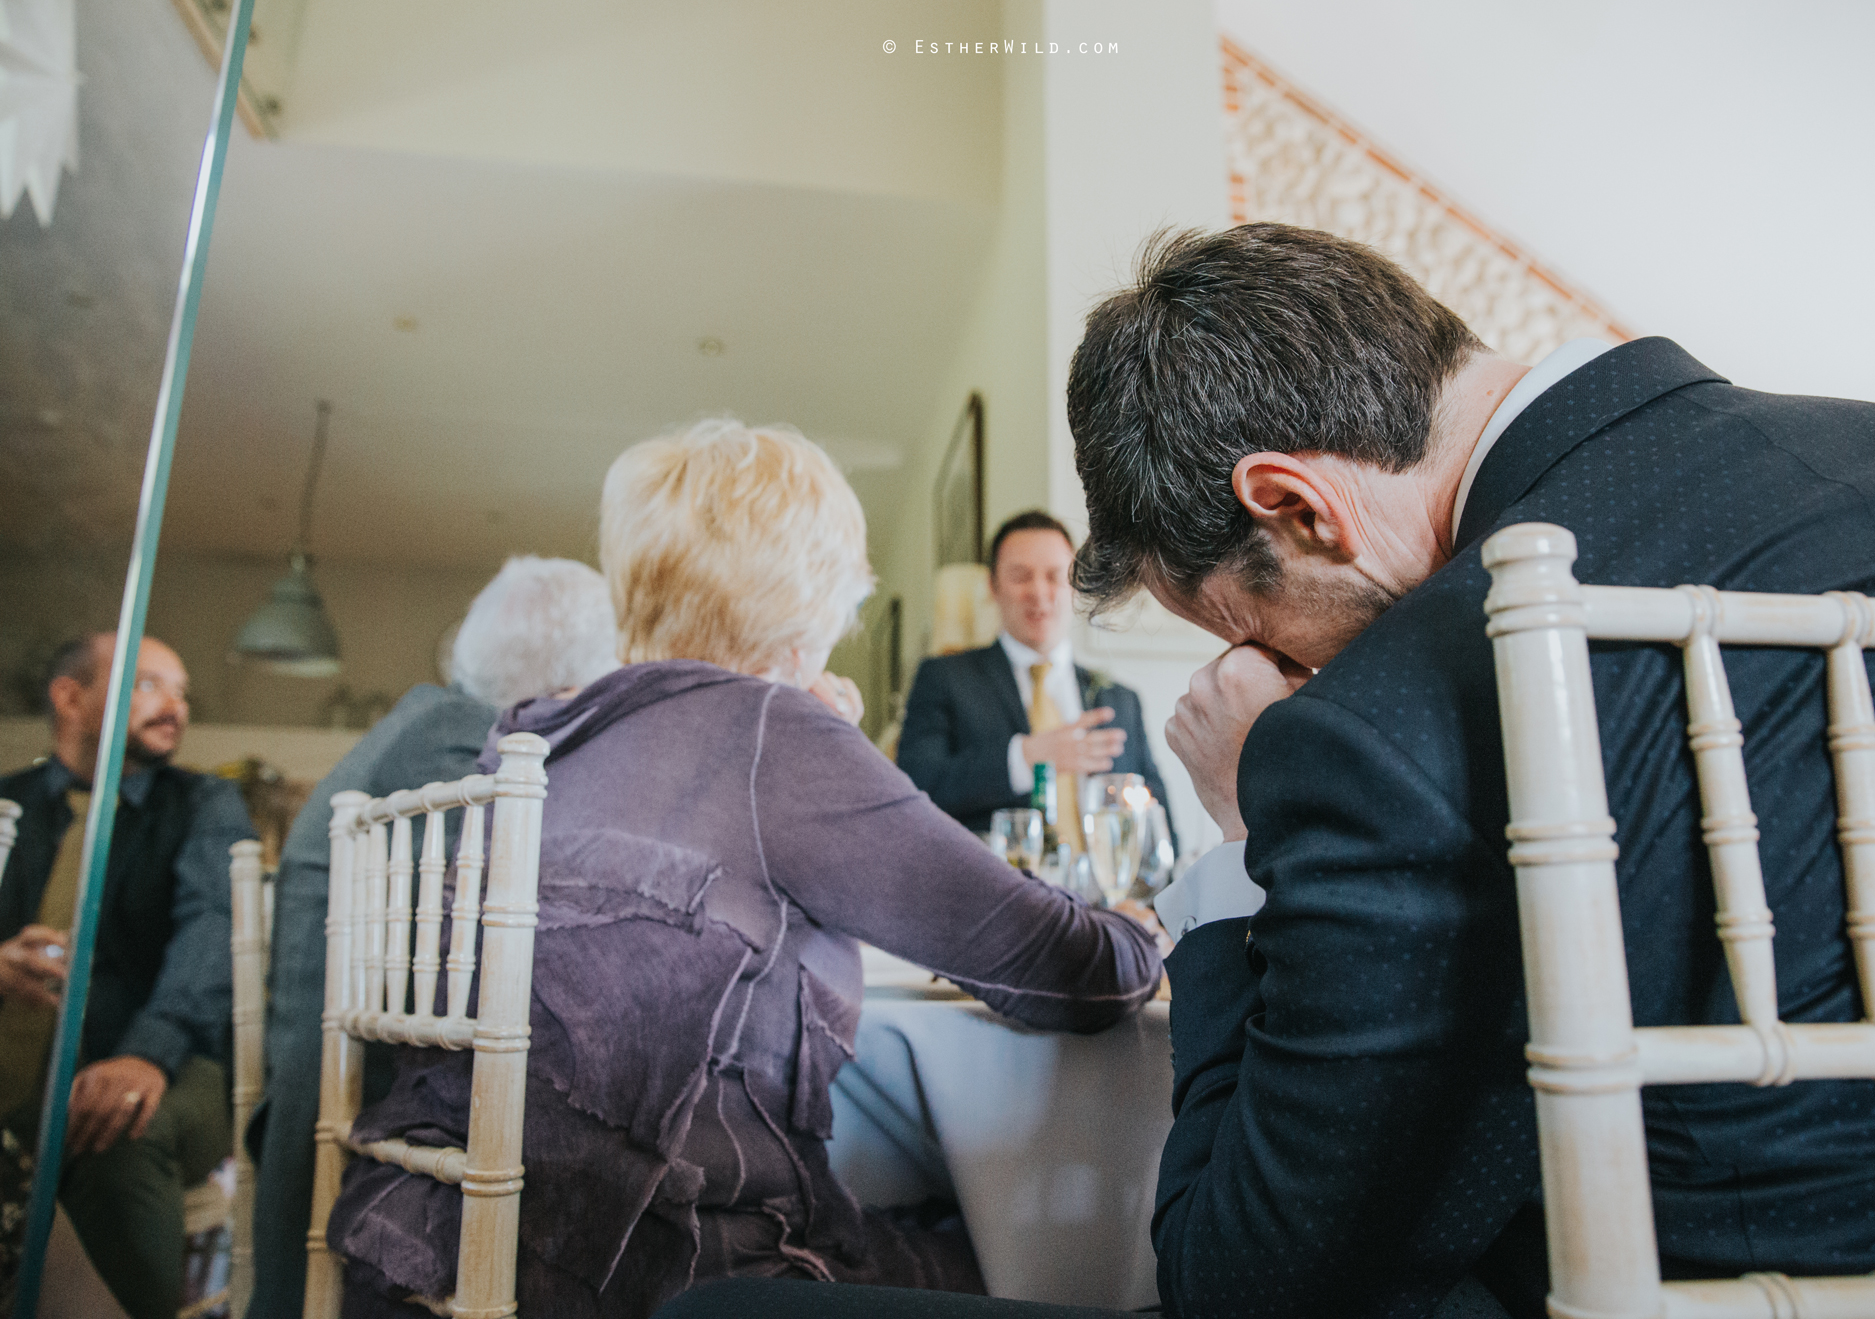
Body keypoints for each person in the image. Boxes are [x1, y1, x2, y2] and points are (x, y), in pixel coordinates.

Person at [1054, 223, 1875, 1317]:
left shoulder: (1398, 714)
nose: (1270, 667)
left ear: (1299, 506)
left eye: (1251, 626)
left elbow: (1251, 1285)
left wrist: (1237, 841)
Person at [325, 420, 1161, 1316]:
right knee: (1053, 1259)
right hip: (663, 1268)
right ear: (810, 598)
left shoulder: (537, 739)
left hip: (438, 1242)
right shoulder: (776, 736)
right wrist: (1139, 930)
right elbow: (1072, 972)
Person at [248, 556, 622, 1319]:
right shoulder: (462, 760)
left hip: (317, 1108)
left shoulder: (428, 727)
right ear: (572, 681)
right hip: (358, 1140)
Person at [0, 634, 254, 1319]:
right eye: (150, 684)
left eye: (182, 691)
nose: (175, 705)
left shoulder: (204, 804)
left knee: (117, 1125)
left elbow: (212, 930)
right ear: (68, 696)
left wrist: (149, 1049)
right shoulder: (10, 805)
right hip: (20, 1062)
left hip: (175, 1061)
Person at [898, 510, 1174, 847]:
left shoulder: (1120, 700)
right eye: (1020, 575)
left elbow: (1160, 825)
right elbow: (914, 788)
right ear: (992, 585)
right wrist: (1026, 758)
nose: (1039, 592)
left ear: (1074, 584)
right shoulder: (944, 679)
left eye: (1055, 575)